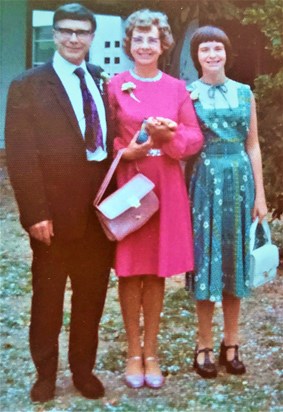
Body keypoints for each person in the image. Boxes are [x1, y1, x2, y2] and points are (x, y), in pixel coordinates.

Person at [5, 3, 114, 402]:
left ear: (91, 37)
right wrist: (35, 214)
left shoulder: (103, 80)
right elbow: (21, 154)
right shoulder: (28, 85)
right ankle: (45, 374)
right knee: (47, 299)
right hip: (52, 216)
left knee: (92, 297)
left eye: (82, 32)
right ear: (54, 33)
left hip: (97, 216)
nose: (74, 39)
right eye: (66, 31)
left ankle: (83, 371)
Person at [107, 9, 203, 389]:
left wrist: (170, 137)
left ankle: (152, 351)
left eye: (152, 39)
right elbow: (106, 136)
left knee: (156, 270)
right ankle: (132, 351)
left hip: (164, 181)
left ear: (164, 45)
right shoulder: (114, 84)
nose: (145, 45)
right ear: (129, 44)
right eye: (138, 38)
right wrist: (124, 151)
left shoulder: (177, 88)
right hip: (131, 182)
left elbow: (194, 137)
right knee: (131, 269)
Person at [186, 26, 267, 378]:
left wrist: (260, 195)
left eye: (218, 48)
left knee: (234, 260)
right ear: (197, 56)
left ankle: (231, 342)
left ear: (226, 52)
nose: (212, 55)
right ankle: (204, 343)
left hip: (239, 181)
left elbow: (252, 145)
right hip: (205, 181)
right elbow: (185, 144)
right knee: (206, 262)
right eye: (205, 49)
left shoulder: (244, 92)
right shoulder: (188, 95)